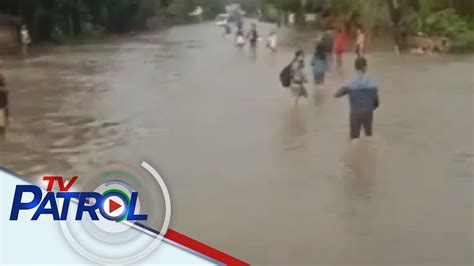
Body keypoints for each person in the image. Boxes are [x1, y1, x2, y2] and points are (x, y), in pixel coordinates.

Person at [334, 57, 379, 140]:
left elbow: (337, 94)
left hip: (355, 113)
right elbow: (376, 102)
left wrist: (336, 93)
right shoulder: (372, 82)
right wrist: (370, 107)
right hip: (368, 112)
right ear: (365, 67)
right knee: (369, 136)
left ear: (355, 67)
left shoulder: (350, 82)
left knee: (354, 138)